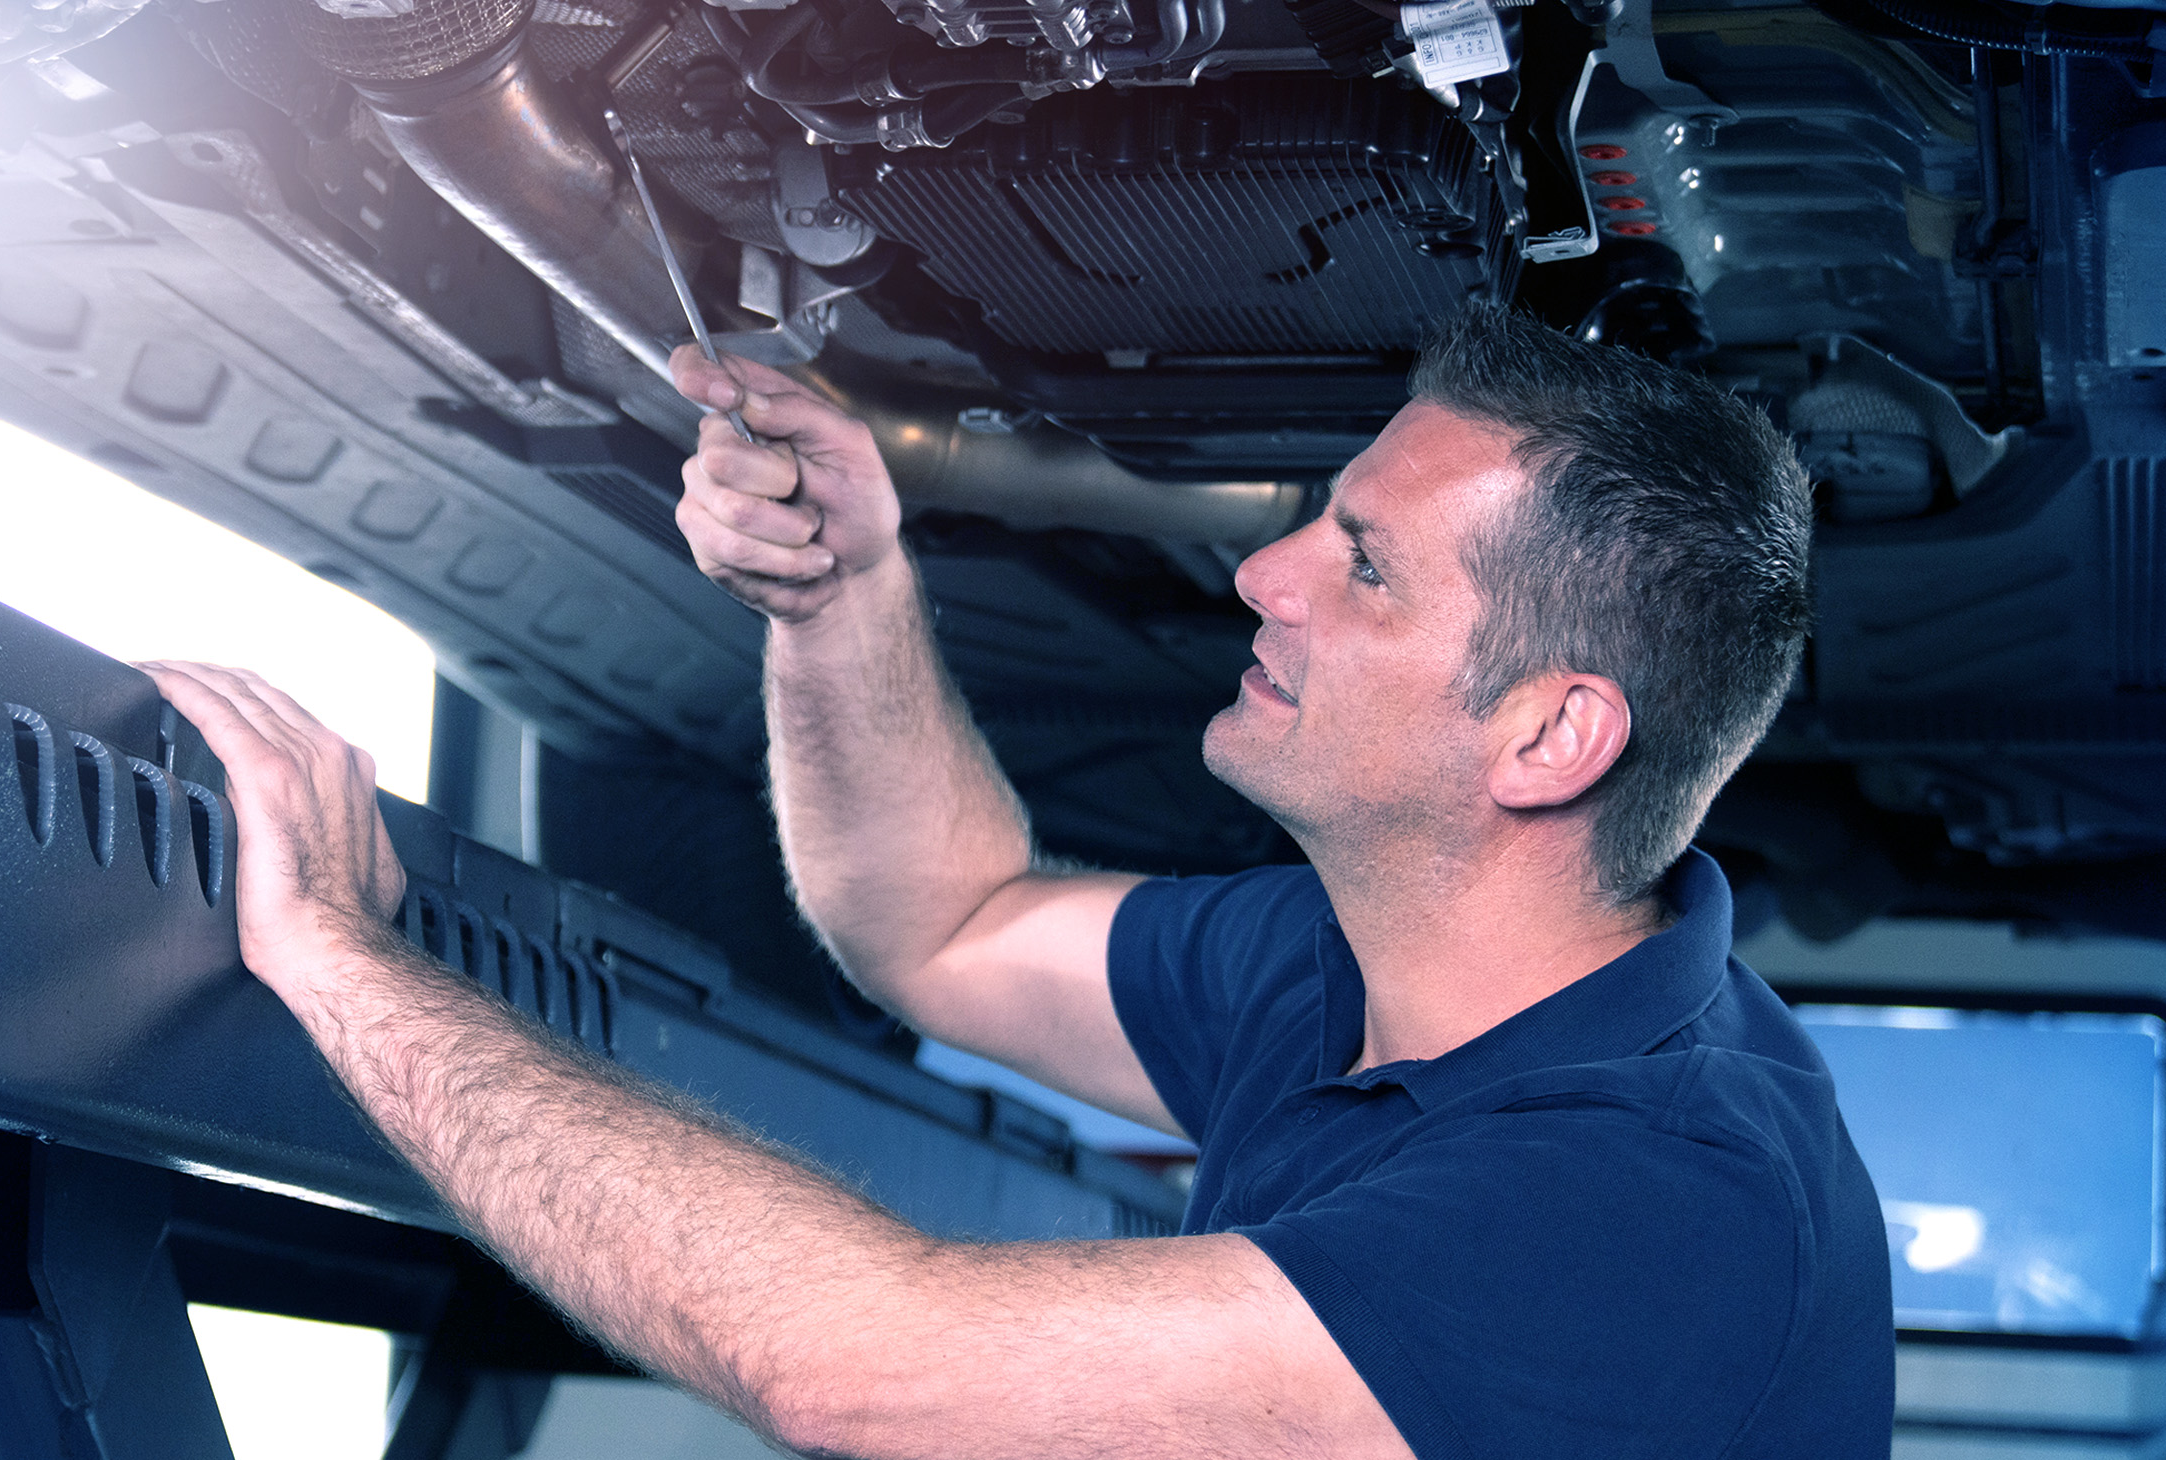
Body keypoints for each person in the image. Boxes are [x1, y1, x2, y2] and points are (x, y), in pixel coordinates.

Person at [140, 305, 1894, 1459]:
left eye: (1358, 565)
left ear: (1546, 737)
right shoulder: (1354, 959)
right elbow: (943, 923)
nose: (1264, 575)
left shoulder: (1649, 1205)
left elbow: (853, 1366)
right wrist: (841, 598)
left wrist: (346, 962)